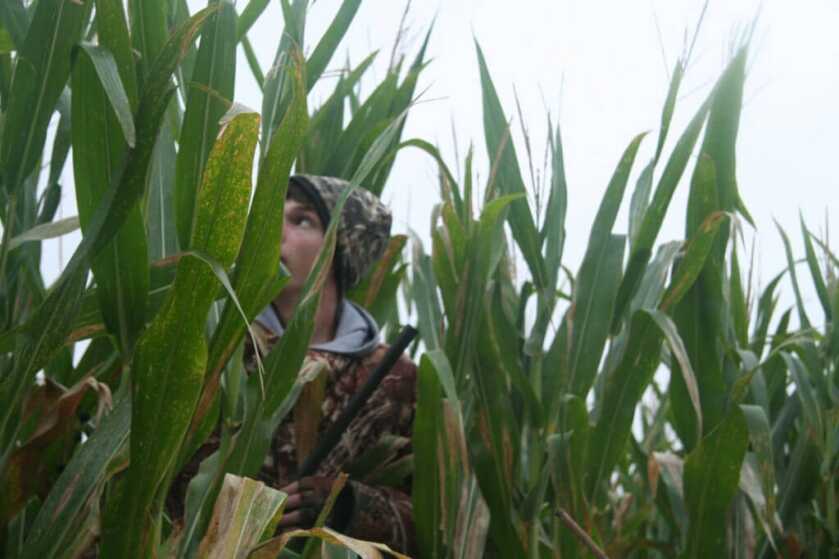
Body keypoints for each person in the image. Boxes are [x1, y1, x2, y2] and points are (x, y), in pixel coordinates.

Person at [169, 175, 417, 554]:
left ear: (341, 252)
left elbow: (427, 520)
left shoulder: (393, 378)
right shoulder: (216, 347)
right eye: (273, 216)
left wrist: (348, 505)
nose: (275, 231)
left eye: (302, 220)